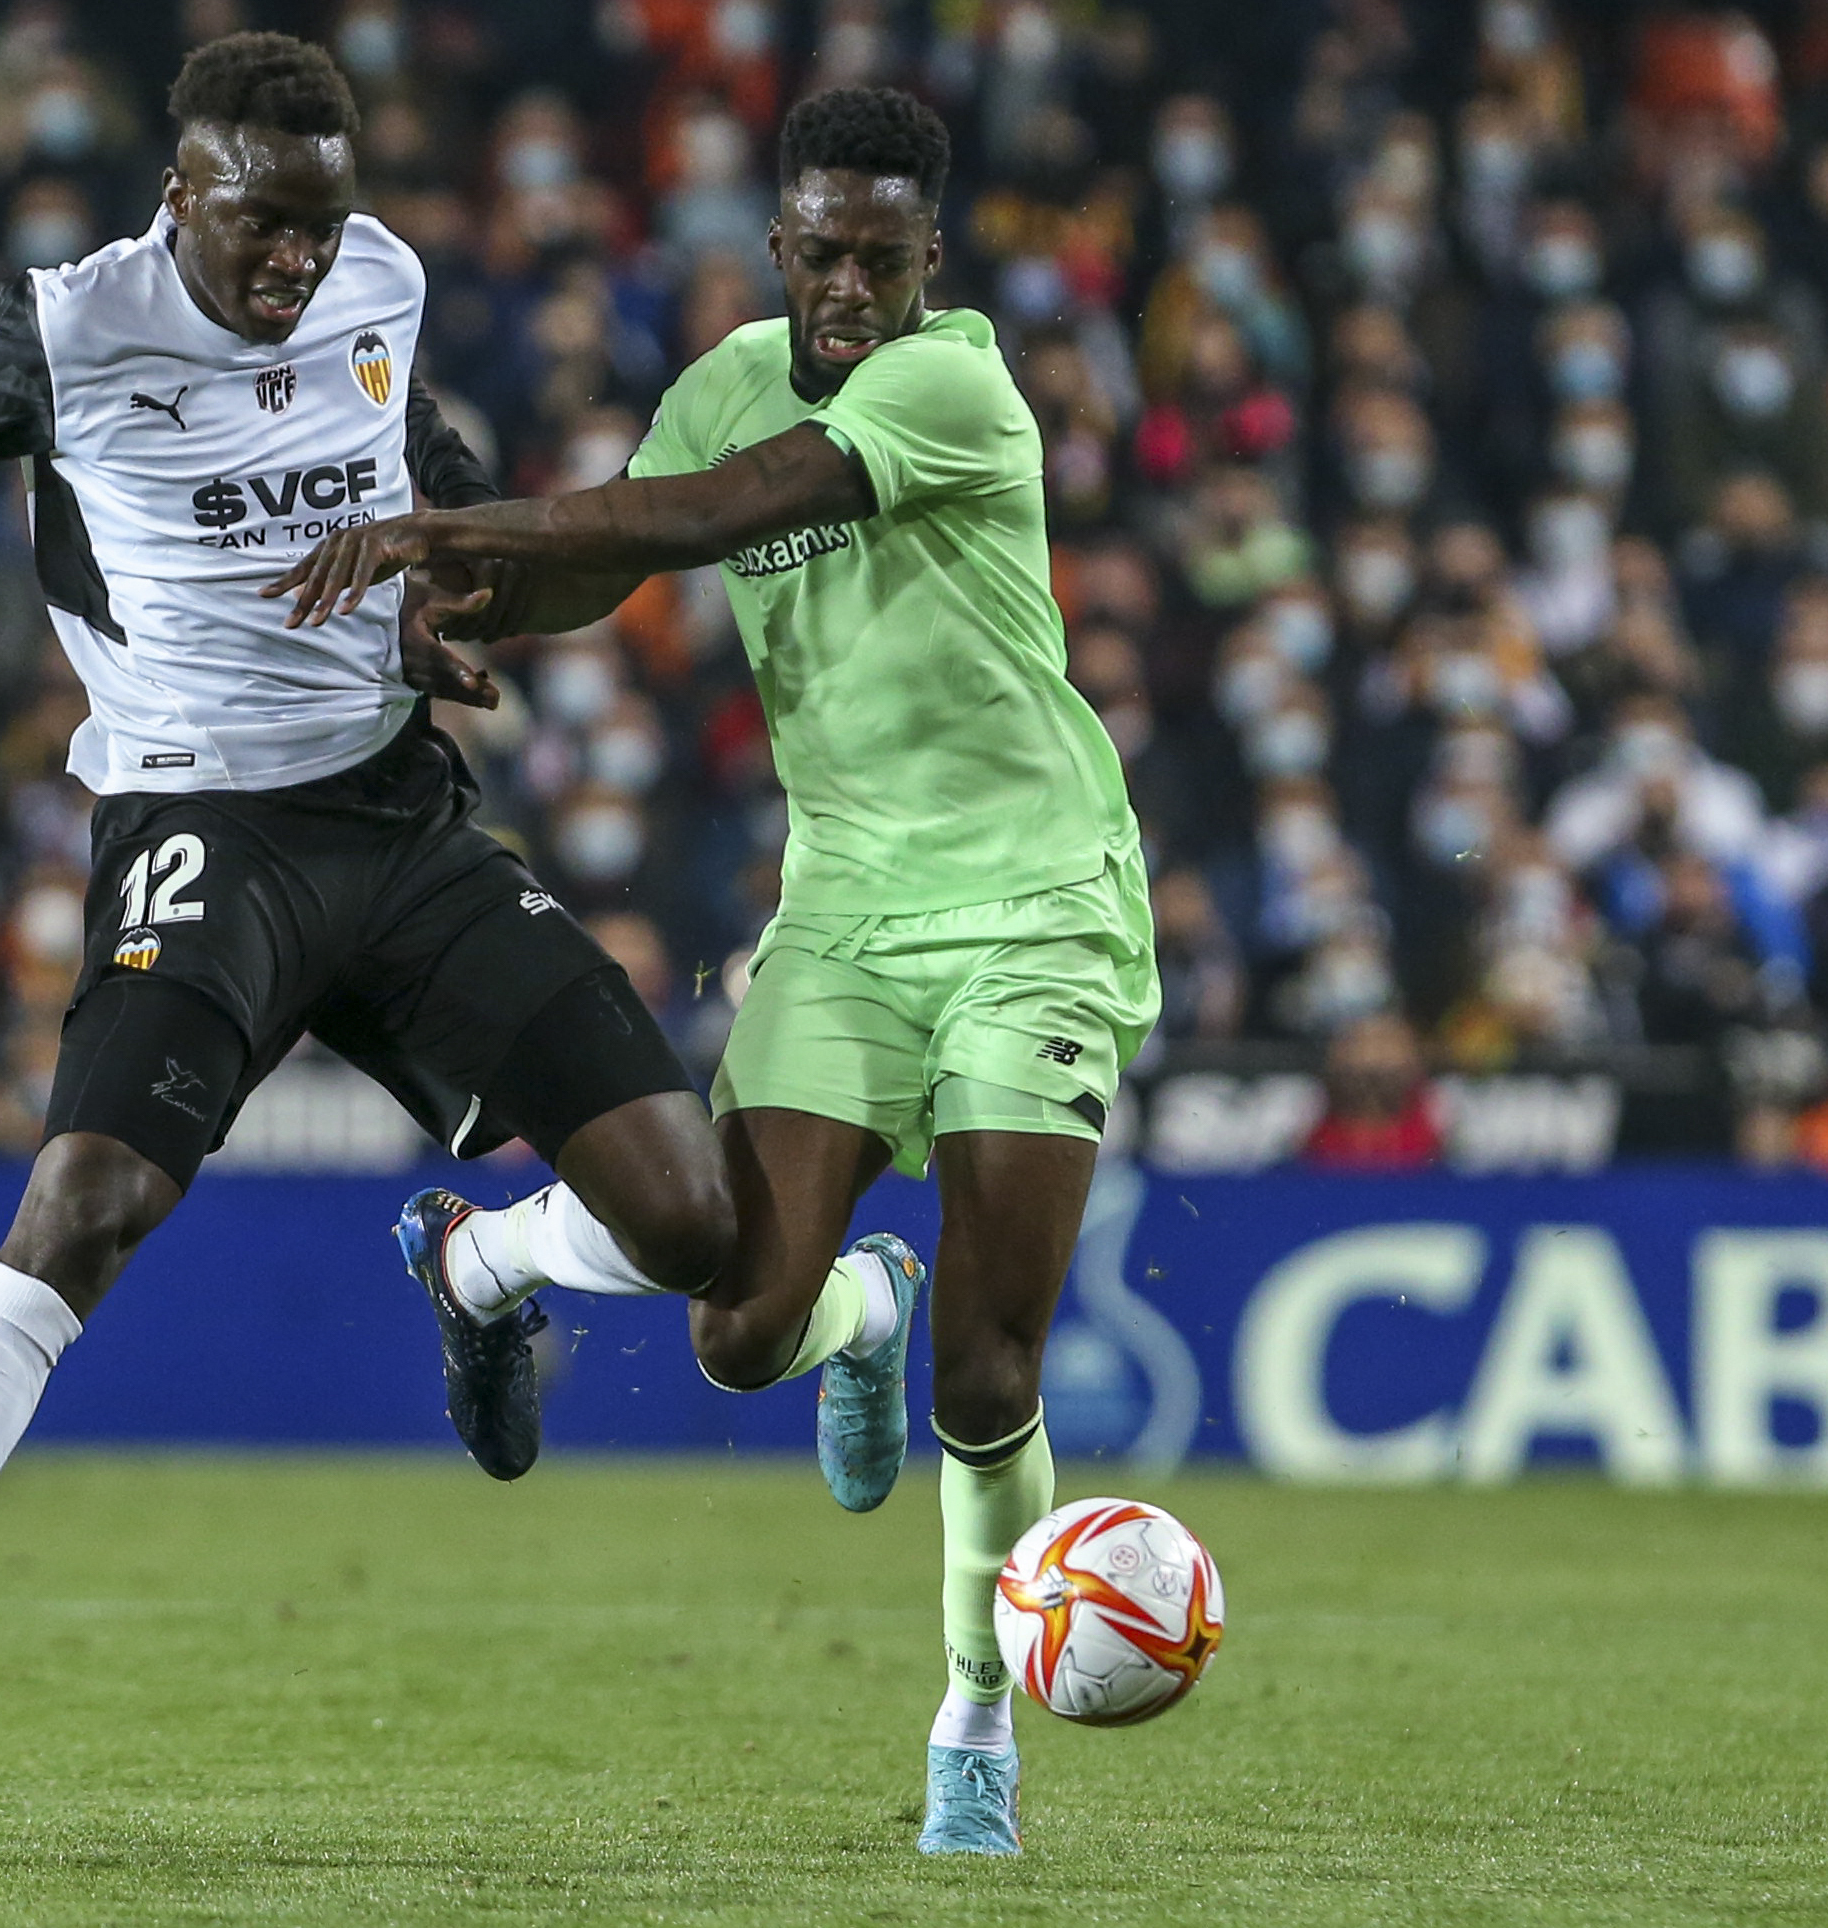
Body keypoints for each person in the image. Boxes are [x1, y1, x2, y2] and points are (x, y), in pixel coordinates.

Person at [0, 34, 733, 1789]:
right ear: (180, 195)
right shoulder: (61, 329)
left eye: (321, 228)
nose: (296, 264)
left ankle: (482, 1269)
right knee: (88, 1200)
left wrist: (438, 582)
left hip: (401, 822)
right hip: (203, 828)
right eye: (262, 227)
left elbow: (421, 440)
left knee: (695, 1225)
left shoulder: (379, 276)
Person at [269, 87, 1157, 1857]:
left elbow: (714, 517)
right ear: (777, 244)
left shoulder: (954, 387)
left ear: (932, 261)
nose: (846, 288)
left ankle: (974, 1711)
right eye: (818, 253)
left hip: (1035, 909)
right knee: (742, 1331)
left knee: (990, 1378)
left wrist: (453, 534)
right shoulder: (731, 376)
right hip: (842, 912)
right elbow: (611, 561)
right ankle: (857, 1310)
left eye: (879, 260)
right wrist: (469, 616)